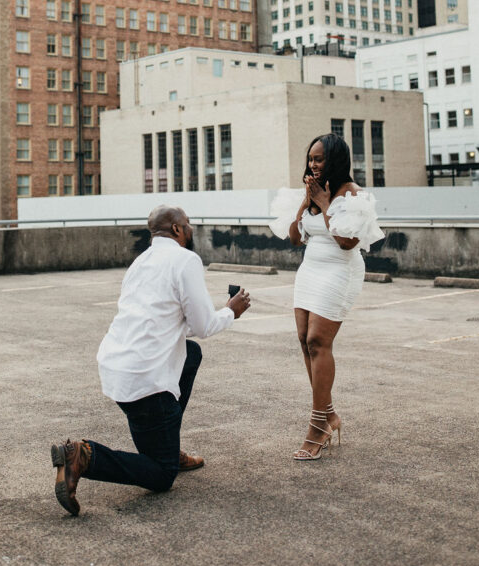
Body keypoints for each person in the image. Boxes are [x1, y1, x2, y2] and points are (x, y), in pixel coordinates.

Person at [50, 204, 251, 515]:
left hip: (117, 369)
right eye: (188, 224)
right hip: (145, 380)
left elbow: (168, 319)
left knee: (191, 354)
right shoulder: (185, 260)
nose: (191, 229)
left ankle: (169, 443)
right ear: (176, 230)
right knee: (161, 475)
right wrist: (230, 311)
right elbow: (203, 326)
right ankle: (84, 457)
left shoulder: (140, 263)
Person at [270, 133, 384, 461]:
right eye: (310, 159)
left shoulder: (352, 194)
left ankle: (318, 425)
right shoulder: (311, 193)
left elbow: (348, 242)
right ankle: (330, 414)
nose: (312, 164)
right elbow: (294, 239)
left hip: (340, 270)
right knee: (306, 342)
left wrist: (323, 203)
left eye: (318, 159)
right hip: (310, 268)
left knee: (319, 342)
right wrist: (306, 202)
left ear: (334, 159)